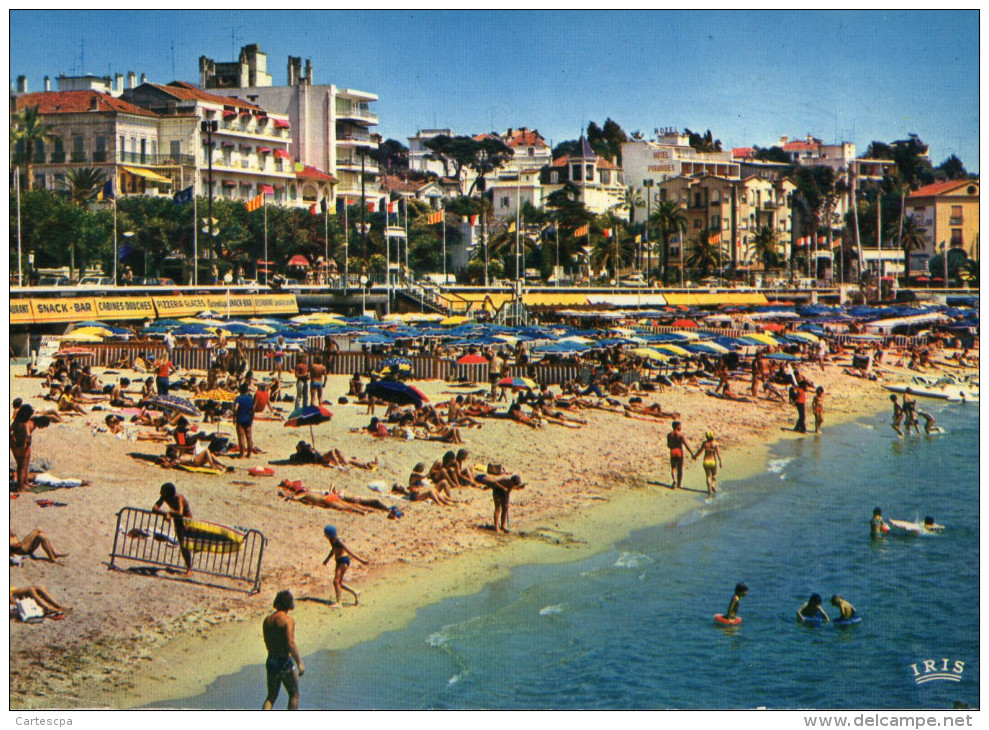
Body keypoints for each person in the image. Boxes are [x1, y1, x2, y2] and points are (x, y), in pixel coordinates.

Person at [262, 590, 304, 710]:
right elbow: (290, 643)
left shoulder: (267, 620)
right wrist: (299, 662)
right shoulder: (287, 620)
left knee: (271, 697)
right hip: (284, 662)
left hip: (271, 660)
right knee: (294, 695)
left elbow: (267, 641)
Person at [152, 482, 193, 576]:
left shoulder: (179, 498)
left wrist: (169, 514)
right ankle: (188, 567)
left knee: (185, 545)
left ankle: (189, 569)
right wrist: (164, 513)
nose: (160, 494)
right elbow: (154, 508)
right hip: (178, 522)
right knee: (182, 545)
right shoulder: (164, 497)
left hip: (187, 523)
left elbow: (180, 512)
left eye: (162, 492)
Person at [321, 525, 368, 607]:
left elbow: (350, 552)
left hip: (343, 561)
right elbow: (333, 550)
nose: (324, 535)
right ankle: (355, 592)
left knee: (336, 582)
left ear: (329, 534)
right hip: (338, 561)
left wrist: (361, 561)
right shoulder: (331, 540)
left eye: (325, 534)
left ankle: (339, 603)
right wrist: (327, 560)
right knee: (339, 583)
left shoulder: (339, 542)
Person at [10, 404, 48, 492]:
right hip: (23, 447)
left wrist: (13, 439)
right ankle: (20, 487)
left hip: (15, 446)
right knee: (23, 466)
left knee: (20, 466)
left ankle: (24, 483)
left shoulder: (16, 422)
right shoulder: (26, 423)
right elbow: (28, 434)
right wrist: (28, 442)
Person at [477, 464, 525, 533]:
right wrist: (503, 488)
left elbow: (508, 492)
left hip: (504, 493)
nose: (515, 486)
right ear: (511, 481)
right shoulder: (504, 480)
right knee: (498, 508)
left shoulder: (512, 485)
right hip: (497, 491)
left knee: (505, 508)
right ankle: (496, 527)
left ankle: (503, 526)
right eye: (515, 485)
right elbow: (495, 483)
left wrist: (507, 502)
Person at [692, 431, 723, 498]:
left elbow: (700, 451)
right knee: (714, 475)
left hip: (706, 461)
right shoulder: (715, 444)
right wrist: (720, 462)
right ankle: (713, 485)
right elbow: (718, 454)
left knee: (708, 476)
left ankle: (709, 490)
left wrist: (695, 456)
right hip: (713, 461)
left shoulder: (705, 443)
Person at [666, 421, 692, 489]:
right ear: (677, 426)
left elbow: (668, 445)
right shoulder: (681, 435)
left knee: (673, 467)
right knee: (680, 469)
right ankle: (679, 484)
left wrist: (672, 447)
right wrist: (692, 453)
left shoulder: (669, 435)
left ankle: (674, 480)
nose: (681, 427)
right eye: (680, 426)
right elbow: (686, 445)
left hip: (673, 452)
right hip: (679, 452)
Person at [233, 383, 255, 459]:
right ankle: (249, 454)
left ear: (240, 390)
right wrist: (252, 418)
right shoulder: (250, 399)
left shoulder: (238, 398)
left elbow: (236, 408)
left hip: (240, 418)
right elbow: (253, 410)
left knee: (241, 437)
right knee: (249, 437)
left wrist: (234, 417)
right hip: (248, 419)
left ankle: (241, 454)